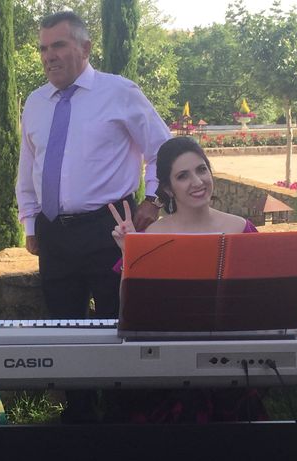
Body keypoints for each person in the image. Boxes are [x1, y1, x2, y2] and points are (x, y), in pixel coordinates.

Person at [16, 11, 171, 322]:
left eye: (58, 45)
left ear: (85, 49)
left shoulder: (119, 92)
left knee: (116, 324)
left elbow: (164, 151)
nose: (49, 56)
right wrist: (31, 225)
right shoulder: (36, 102)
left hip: (109, 229)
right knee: (61, 326)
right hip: (54, 235)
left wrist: (154, 201)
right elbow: (28, 168)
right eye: (43, 49)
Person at [108, 135, 267, 426]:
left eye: (202, 170)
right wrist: (129, 255)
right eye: (183, 176)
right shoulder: (152, 237)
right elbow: (128, 312)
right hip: (170, 364)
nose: (197, 182)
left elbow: (260, 303)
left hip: (229, 360)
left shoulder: (242, 230)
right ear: (168, 188)